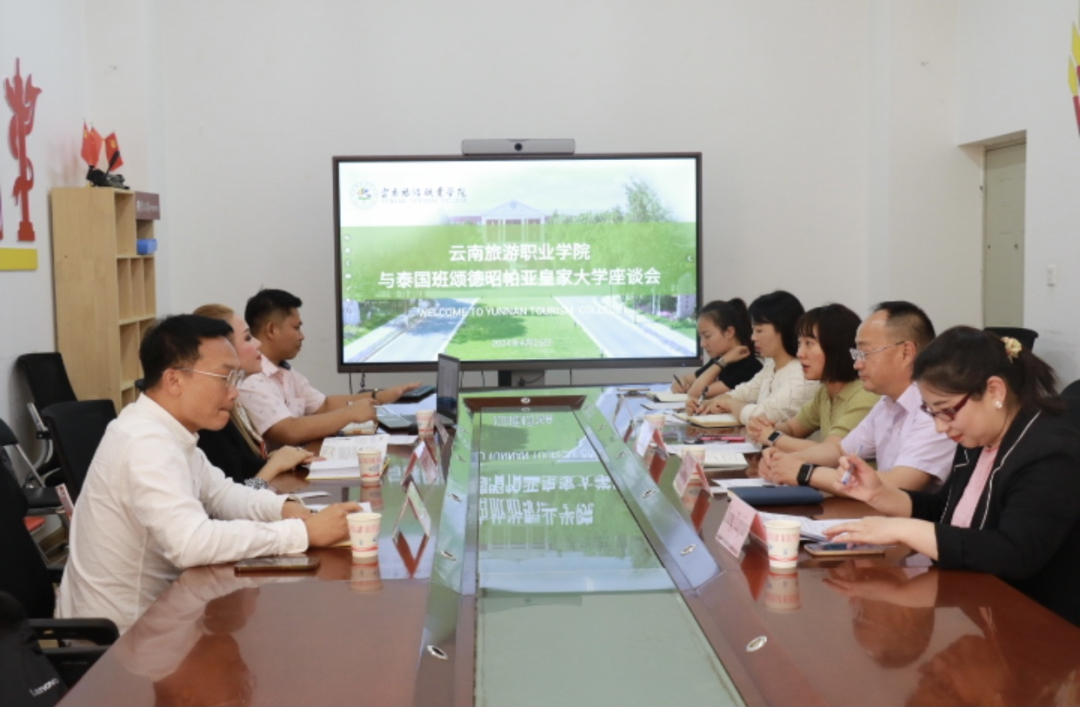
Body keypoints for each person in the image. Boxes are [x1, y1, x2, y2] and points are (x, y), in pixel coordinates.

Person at [57, 315, 358, 632]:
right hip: (123, 639)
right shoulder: (145, 442)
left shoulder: (169, 431)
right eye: (224, 378)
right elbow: (191, 543)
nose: (234, 393)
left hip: (166, 614)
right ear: (174, 380)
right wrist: (302, 534)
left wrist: (284, 509)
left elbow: (223, 495)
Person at [825, 326, 1080, 626]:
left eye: (946, 411)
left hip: (1045, 626)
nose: (940, 427)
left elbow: (1014, 553)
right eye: (931, 412)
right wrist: (880, 494)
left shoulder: (1049, 452)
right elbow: (947, 510)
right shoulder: (978, 438)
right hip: (985, 606)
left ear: (994, 391)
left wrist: (901, 530)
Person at [760, 301, 954, 492]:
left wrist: (805, 472)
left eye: (865, 353)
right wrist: (785, 460)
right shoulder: (886, 403)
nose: (857, 364)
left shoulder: (934, 410)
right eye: (857, 354)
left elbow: (898, 484)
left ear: (905, 352)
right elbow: (839, 450)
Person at [238, 289, 421, 447]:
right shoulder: (252, 380)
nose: (302, 336)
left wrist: (380, 396)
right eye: (296, 328)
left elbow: (324, 405)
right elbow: (289, 431)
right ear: (271, 330)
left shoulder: (285, 372)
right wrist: (349, 414)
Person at [192, 304, 315, 488]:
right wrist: (274, 465)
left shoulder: (231, 405)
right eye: (248, 338)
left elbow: (244, 470)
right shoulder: (211, 423)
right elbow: (239, 495)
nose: (258, 343)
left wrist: (273, 459)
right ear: (224, 349)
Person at [746, 304, 879, 453]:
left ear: (836, 347)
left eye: (809, 343)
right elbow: (792, 428)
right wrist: (765, 427)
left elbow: (831, 451)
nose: (800, 353)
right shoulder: (825, 391)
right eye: (799, 343)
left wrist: (772, 437)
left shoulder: (864, 395)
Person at [688, 290, 818, 424]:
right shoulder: (771, 366)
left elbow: (764, 415)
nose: (753, 337)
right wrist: (706, 404)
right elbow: (742, 393)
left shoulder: (804, 375)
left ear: (783, 329)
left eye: (759, 330)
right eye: (753, 330)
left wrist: (729, 404)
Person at [671, 298, 762, 402]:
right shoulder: (721, 359)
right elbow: (687, 379)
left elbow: (695, 393)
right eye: (701, 337)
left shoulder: (747, 367)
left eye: (707, 336)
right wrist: (679, 383)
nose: (702, 344)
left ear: (729, 332)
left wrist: (722, 362)